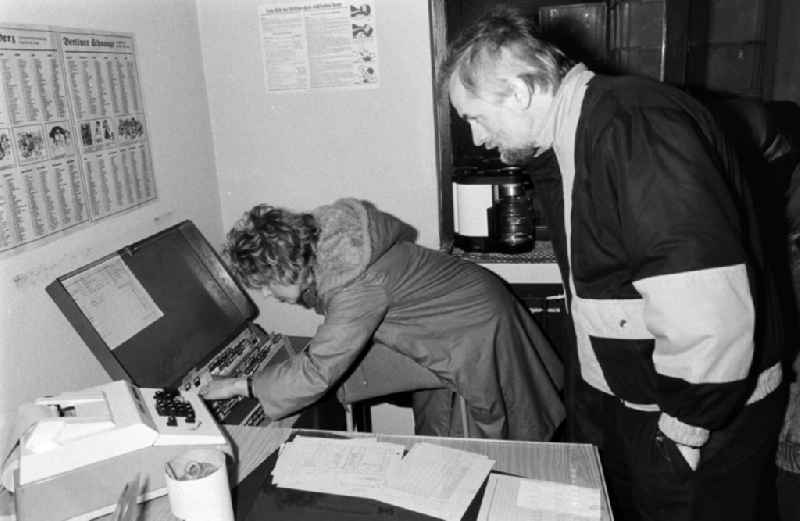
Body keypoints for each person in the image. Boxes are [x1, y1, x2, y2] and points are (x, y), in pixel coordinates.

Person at [438, 7, 786, 521]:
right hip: (649, 403)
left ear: (518, 91)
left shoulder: (635, 126)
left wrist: (682, 433)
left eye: (474, 117)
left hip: (702, 412)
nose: (478, 138)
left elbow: (705, 305)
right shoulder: (572, 135)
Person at [200, 198, 565, 441]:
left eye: (265, 284)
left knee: (478, 449)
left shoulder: (356, 285)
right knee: (401, 405)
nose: (266, 294)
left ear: (286, 268)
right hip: (458, 310)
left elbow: (317, 371)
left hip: (471, 329)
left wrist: (241, 386)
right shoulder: (331, 244)